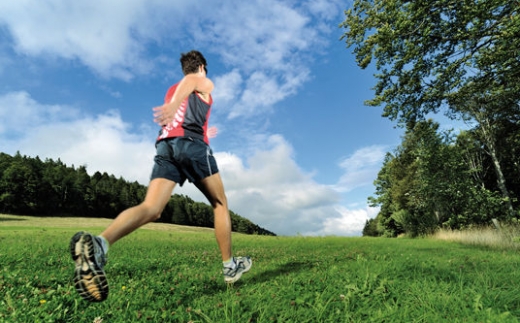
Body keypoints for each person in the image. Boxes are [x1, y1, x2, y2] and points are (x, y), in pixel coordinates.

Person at [69, 50, 252, 302]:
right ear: (201, 67)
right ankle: (230, 266)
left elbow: (182, 114)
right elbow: (191, 85)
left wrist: (204, 128)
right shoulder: (199, 81)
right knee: (220, 203)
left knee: (151, 207)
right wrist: (178, 105)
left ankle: (100, 244)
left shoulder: (171, 89)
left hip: (166, 146)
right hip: (191, 145)